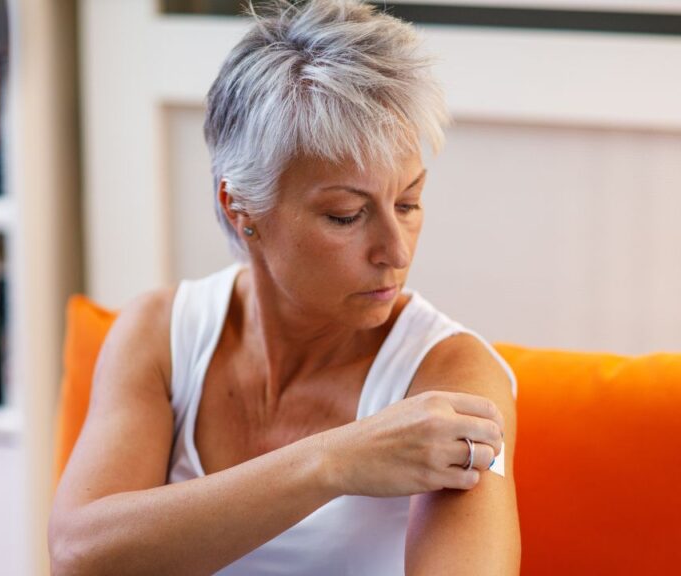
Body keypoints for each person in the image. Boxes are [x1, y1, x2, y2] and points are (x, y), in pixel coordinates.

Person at [49, 0, 520, 573]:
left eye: (409, 202)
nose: (396, 251)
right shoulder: (159, 335)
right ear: (241, 207)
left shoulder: (452, 377)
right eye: (346, 215)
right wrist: (333, 460)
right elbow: (78, 554)